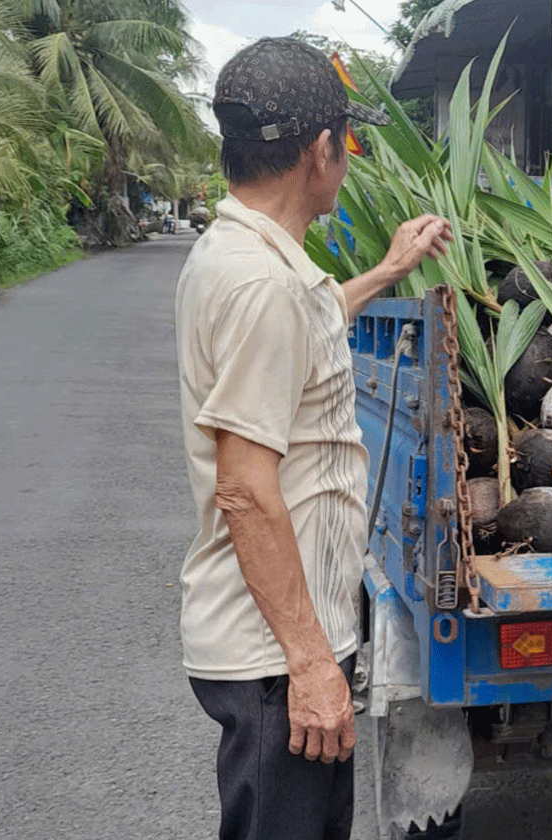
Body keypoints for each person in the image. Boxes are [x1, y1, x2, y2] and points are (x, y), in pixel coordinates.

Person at [174, 37, 452, 840]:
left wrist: (388, 269)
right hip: (274, 661)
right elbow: (245, 490)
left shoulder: (251, 261)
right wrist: (310, 664)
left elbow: (305, 334)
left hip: (284, 649)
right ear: (318, 151)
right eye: (345, 142)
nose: (347, 160)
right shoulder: (262, 285)